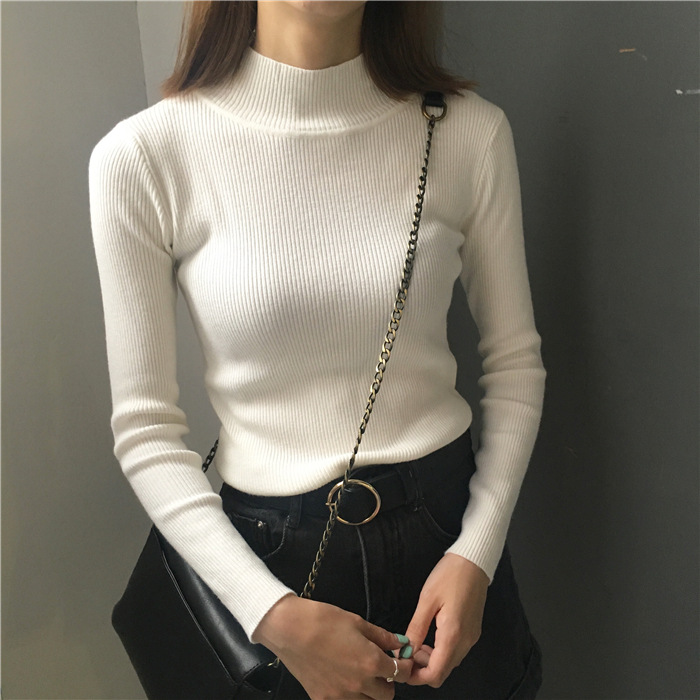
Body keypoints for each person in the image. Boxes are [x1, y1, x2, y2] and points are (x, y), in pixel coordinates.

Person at [89, 1, 546, 698]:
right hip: (273, 567)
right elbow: (145, 430)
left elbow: (514, 366)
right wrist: (271, 615)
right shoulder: (146, 155)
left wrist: (476, 554)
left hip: (449, 540)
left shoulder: (467, 131)